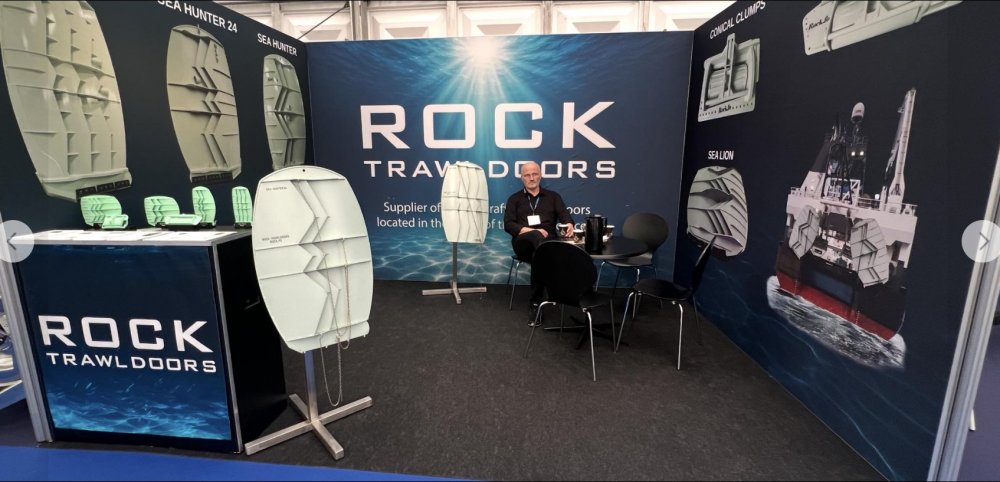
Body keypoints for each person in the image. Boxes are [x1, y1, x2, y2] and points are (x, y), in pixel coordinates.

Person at [504, 162, 574, 326]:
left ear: (540, 175)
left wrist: (570, 224)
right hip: (523, 244)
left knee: (539, 256)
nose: (531, 178)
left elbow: (566, 216)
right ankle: (557, 290)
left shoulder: (553, 197)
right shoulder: (514, 199)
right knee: (538, 240)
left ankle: (535, 303)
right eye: (527, 175)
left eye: (534, 174)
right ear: (522, 178)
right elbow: (508, 225)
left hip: (547, 244)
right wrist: (532, 231)